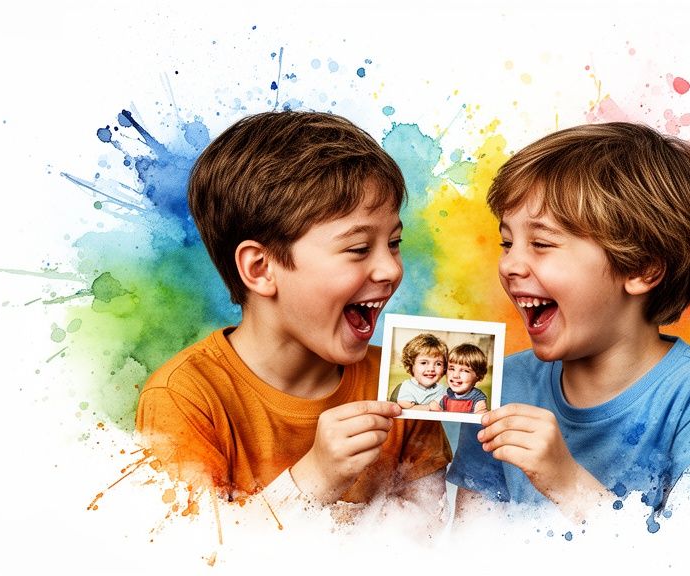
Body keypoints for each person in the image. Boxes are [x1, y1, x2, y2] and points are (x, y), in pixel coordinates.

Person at [135, 111, 452, 526]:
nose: (391, 269)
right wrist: (315, 478)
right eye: (358, 248)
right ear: (261, 268)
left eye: (394, 242)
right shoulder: (184, 399)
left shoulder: (407, 389)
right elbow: (190, 553)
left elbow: (432, 545)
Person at [447, 122, 690, 526]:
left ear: (642, 268)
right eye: (507, 243)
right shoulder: (502, 387)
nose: (509, 265)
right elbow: (468, 548)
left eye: (541, 243)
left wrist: (566, 481)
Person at [430, 343, 489, 414]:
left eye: (464, 370)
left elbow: (481, 416)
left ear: (479, 376)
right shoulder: (446, 394)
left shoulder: (477, 399)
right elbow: (433, 405)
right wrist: (435, 407)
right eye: (452, 369)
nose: (455, 375)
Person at [394, 333, 447, 410]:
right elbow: (405, 406)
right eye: (423, 363)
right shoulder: (407, 386)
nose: (431, 369)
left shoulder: (443, 390)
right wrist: (429, 408)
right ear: (411, 365)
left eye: (438, 364)